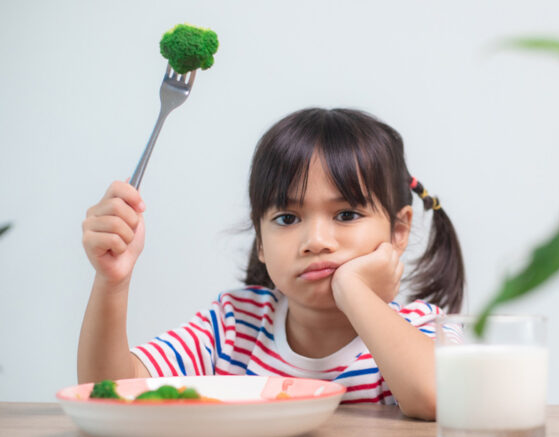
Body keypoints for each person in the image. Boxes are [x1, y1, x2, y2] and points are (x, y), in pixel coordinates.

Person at [78, 108, 465, 420]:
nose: (316, 241)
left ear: (399, 231)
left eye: (346, 215)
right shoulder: (233, 327)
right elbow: (111, 392)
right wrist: (113, 282)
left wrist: (354, 291)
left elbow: (438, 397)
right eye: (287, 219)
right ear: (260, 241)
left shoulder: (421, 330)